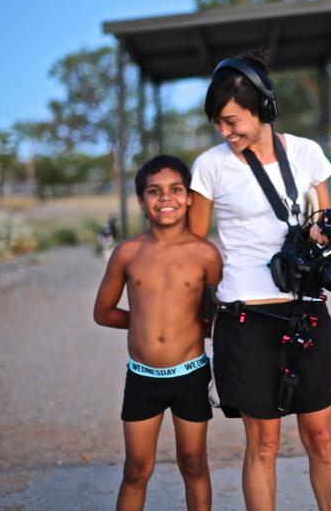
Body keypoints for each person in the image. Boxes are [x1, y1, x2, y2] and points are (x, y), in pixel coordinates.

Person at [188, 51, 331, 511]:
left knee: (322, 435)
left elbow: (323, 223)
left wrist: (327, 235)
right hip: (246, 316)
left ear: (263, 108)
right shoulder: (210, 166)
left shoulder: (307, 154)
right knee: (264, 444)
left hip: (306, 309)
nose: (224, 132)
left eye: (232, 121)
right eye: (217, 123)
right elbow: (194, 248)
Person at [94, 154, 222, 511]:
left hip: (191, 375)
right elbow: (103, 312)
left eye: (175, 189)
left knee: (194, 463)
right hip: (143, 377)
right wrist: (144, 323)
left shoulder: (206, 254)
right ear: (141, 200)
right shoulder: (127, 253)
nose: (166, 198)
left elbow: (216, 318)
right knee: (136, 469)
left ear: (189, 197)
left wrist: (191, 326)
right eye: (154, 191)